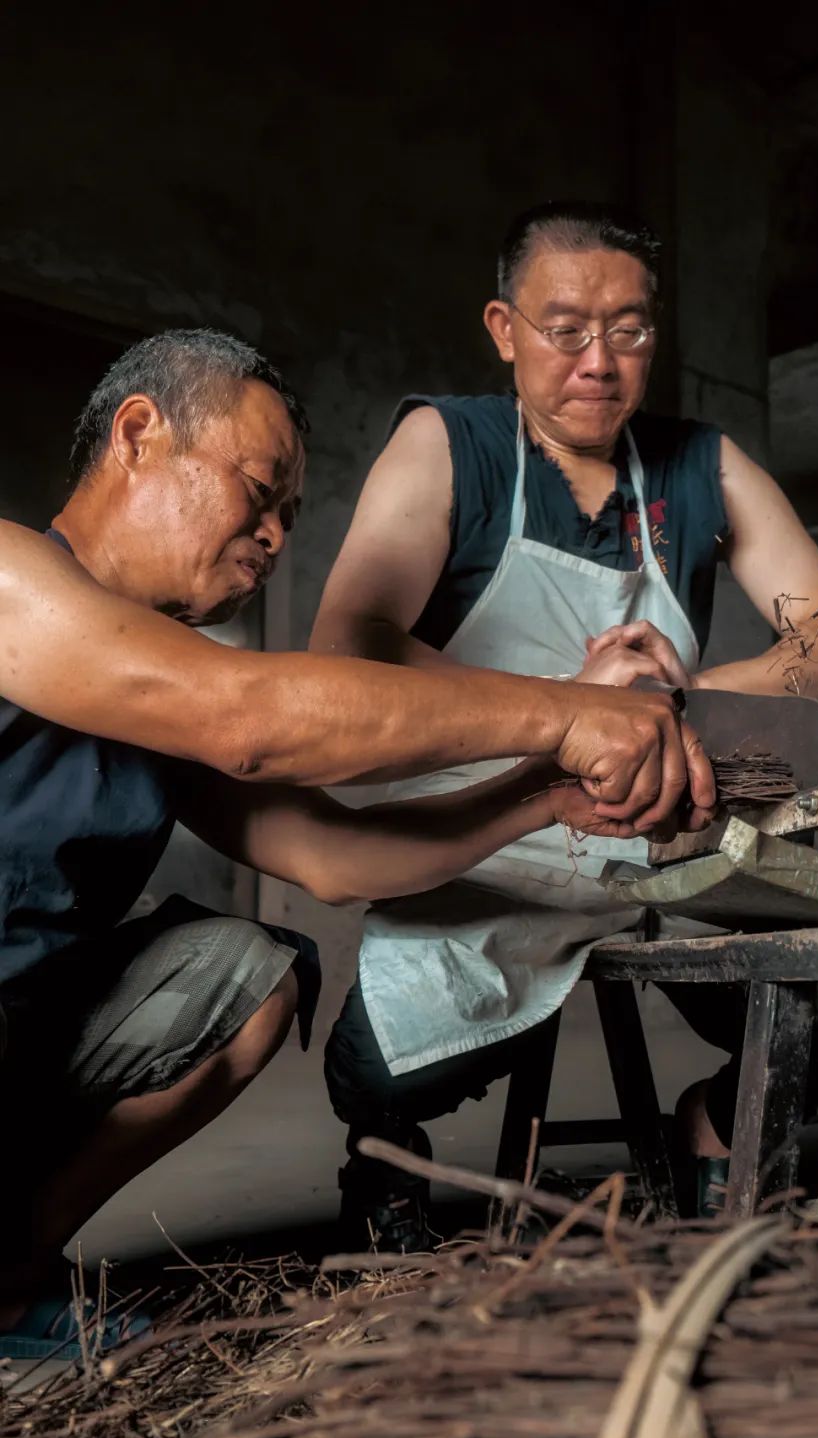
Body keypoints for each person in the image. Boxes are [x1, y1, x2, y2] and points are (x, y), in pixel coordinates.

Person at [0, 327, 712, 1358]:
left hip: (23, 1028)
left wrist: (538, 795)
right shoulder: (12, 580)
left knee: (249, 979)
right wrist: (564, 712)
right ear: (140, 434)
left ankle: (12, 1271)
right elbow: (249, 720)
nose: (278, 535)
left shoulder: (156, 699)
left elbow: (337, 859)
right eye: (258, 489)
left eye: (291, 514)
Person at [312, 202, 818, 1240]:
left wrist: (669, 702)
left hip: (671, 840)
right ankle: (385, 1175)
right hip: (500, 837)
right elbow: (352, 644)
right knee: (375, 1070)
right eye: (564, 328)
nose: (598, 362)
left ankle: (709, 1128)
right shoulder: (450, 444)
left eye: (628, 330)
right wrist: (571, 712)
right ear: (504, 329)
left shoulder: (699, 467)